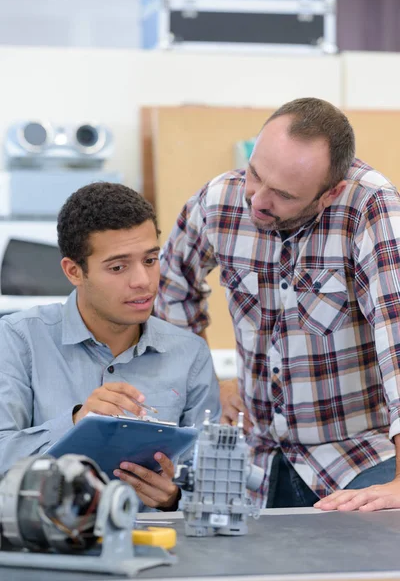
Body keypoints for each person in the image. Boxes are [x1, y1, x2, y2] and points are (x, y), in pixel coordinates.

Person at [155, 97, 400, 512]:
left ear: (330, 192)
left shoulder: (370, 207)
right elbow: (171, 287)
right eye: (255, 174)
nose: (258, 201)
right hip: (257, 457)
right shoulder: (219, 200)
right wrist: (209, 385)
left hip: (354, 454)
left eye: (283, 195)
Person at [0, 182, 220, 511]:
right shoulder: (16, 340)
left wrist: (175, 498)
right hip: (45, 548)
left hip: (158, 551)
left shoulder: (190, 355)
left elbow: (214, 482)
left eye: (150, 260)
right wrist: (75, 423)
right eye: (118, 267)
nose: (142, 281)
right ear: (74, 271)